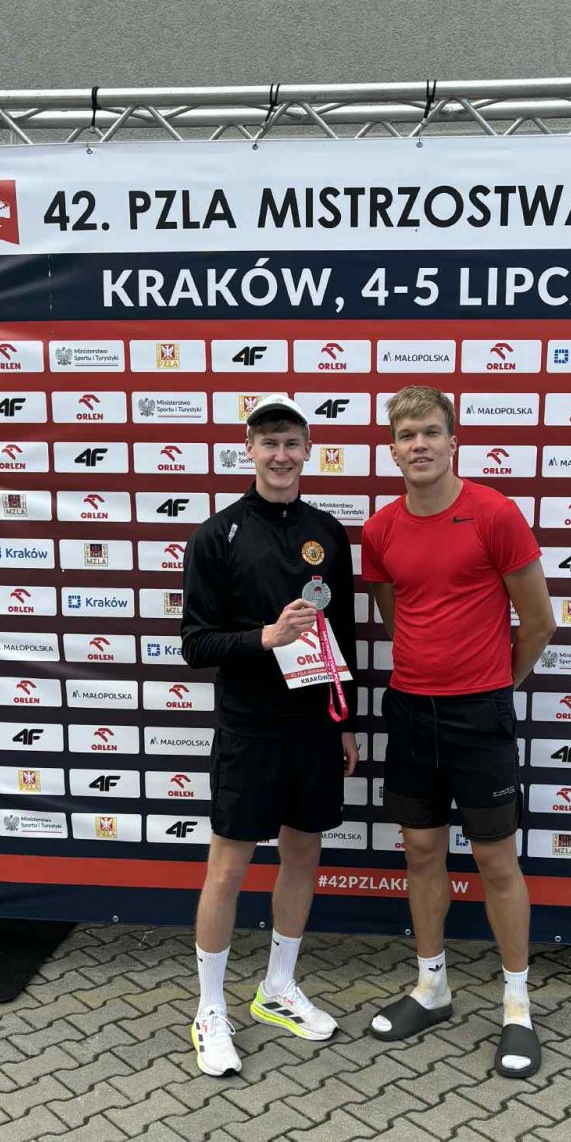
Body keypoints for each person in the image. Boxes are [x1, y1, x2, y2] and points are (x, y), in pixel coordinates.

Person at [361, 385, 555, 1077]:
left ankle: (517, 1007)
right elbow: (397, 616)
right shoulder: (380, 530)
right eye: (406, 434)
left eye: (430, 431)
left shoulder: (494, 513)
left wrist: (495, 685)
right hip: (412, 710)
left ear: (452, 441)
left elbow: (539, 623)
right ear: (392, 449)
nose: (419, 444)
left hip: (480, 714)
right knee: (421, 852)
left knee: (497, 861)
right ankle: (432, 987)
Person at [180, 393, 359, 1076]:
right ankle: (209, 1009)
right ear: (248, 450)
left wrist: (346, 720)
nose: (280, 455)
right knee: (227, 868)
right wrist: (266, 637)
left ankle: (277, 988)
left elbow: (345, 637)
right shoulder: (217, 535)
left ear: (309, 450)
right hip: (249, 727)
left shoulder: (328, 533)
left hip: (314, 724)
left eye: (291, 442)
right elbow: (195, 643)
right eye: (268, 442)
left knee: (303, 854)